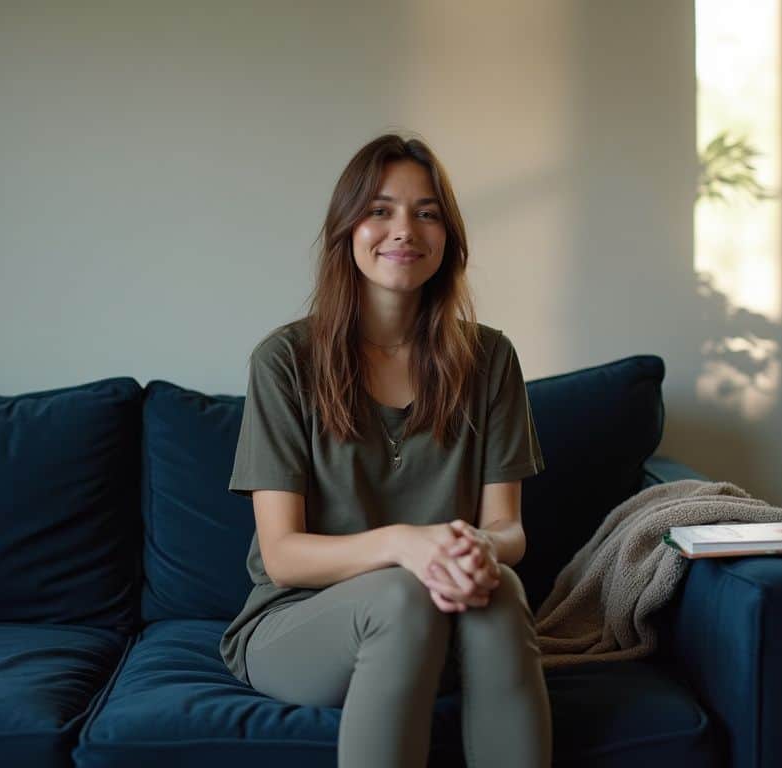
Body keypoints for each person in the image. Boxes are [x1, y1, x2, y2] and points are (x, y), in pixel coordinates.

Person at [219, 133, 551, 768]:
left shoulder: (490, 359)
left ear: (448, 237)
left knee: (502, 587)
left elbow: (507, 528)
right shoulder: (285, 361)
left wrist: (476, 551)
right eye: (380, 210)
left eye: (427, 213)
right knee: (401, 594)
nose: (404, 229)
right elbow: (283, 557)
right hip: (301, 625)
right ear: (348, 229)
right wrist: (404, 545)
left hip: (445, 618)